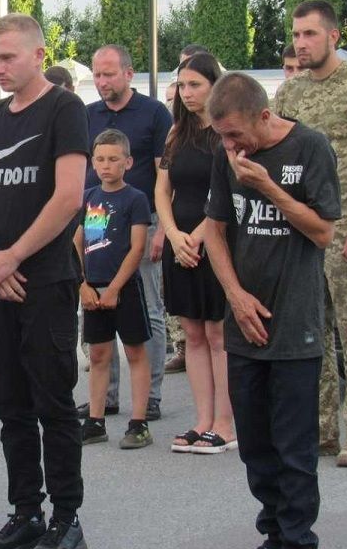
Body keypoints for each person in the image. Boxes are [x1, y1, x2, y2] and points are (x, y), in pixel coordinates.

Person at [204, 72, 340, 549]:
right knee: (256, 445)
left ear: (264, 115)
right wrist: (235, 297)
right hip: (245, 321)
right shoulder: (227, 156)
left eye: (236, 134)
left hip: (294, 324)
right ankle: (274, 538)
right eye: (222, 136)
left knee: (293, 447)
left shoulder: (311, 148)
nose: (229, 145)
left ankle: (299, 547)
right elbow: (215, 231)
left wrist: (269, 188)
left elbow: (324, 230)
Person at [0, 13, 89, 549]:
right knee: (10, 404)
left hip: (47, 282)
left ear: (39, 54)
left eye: (9, 57)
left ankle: (66, 518)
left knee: (53, 403)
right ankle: (24, 513)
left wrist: (16, 256)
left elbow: (68, 197)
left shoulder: (65, 109)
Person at [274, 0, 347, 468]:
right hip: (300, 235)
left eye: (309, 34)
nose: (301, 43)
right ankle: (320, 430)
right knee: (309, 337)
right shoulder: (289, 94)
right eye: (297, 35)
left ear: (333, 37)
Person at [76, 44, 172, 422]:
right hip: (98, 220)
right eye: (97, 75)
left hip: (140, 221)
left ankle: (149, 398)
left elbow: (167, 174)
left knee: (146, 310)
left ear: (129, 74)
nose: (102, 82)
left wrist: (163, 228)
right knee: (99, 303)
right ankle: (107, 398)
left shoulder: (154, 113)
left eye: (109, 74)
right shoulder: (87, 116)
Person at [153, 52, 234, 454]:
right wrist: (173, 235)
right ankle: (203, 419)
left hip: (214, 240)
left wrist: (199, 236)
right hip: (180, 244)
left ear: (213, 85)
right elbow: (162, 191)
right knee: (193, 334)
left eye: (195, 85)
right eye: (182, 86)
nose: (186, 93)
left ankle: (225, 422)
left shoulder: (225, 134)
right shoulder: (175, 135)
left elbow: (228, 194)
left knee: (218, 333)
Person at [76, 129, 153, 449]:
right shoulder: (89, 197)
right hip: (93, 287)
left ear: (128, 162)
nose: (106, 166)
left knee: (135, 351)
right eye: (100, 159)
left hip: (124, 288)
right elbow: (78, 242)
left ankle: (139, 423)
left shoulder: (135, 198)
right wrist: (82, 284)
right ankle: (95, 420)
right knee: (98, 353)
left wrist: (115, 288)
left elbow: (137, 249)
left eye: (113, 159)